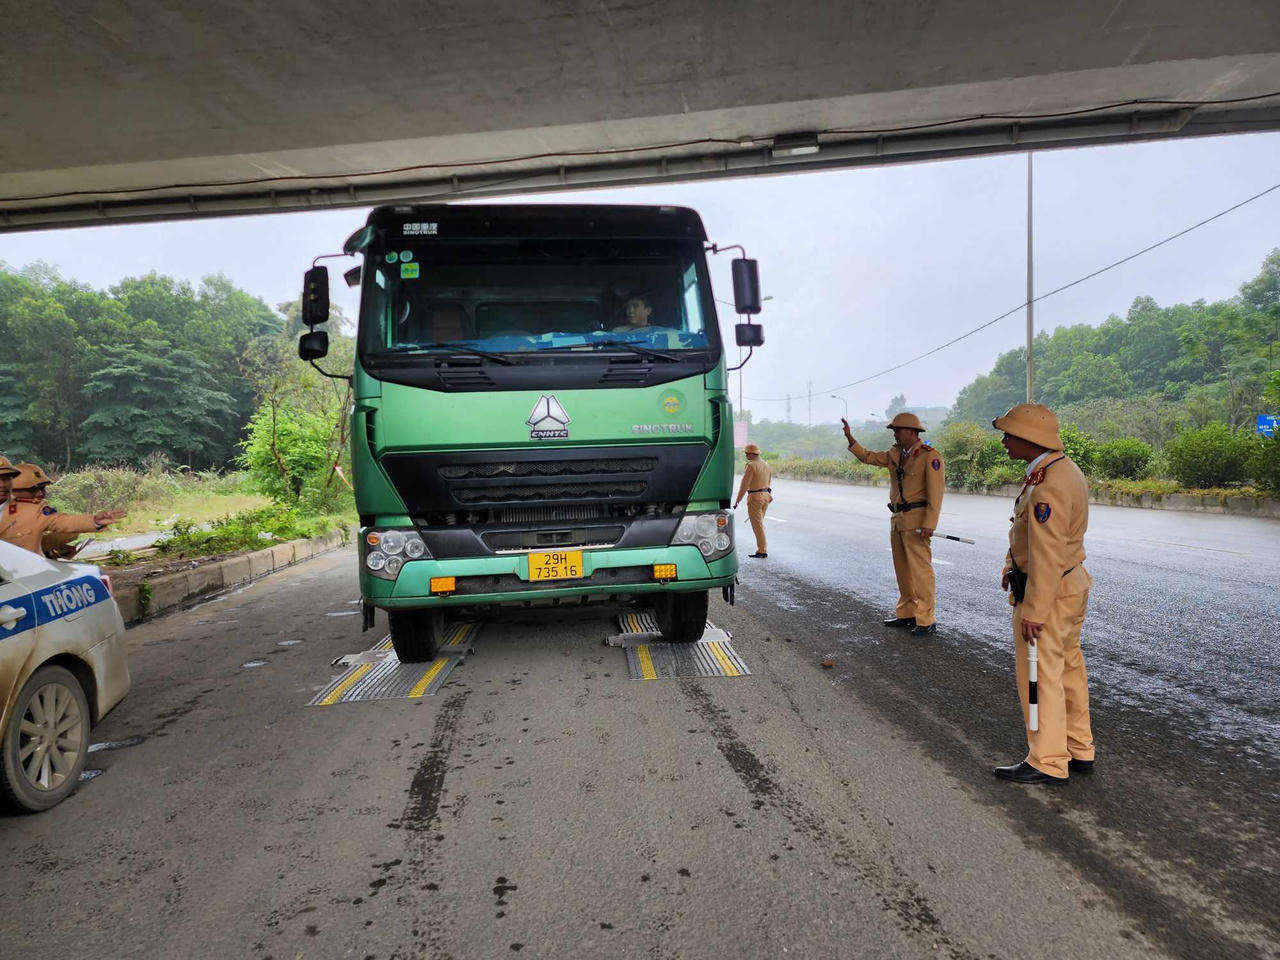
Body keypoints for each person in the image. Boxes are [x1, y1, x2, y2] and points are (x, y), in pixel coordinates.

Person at [991, 403, 1095, 785]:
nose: (1003, 441)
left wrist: (1034, 609)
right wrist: (1010, 565)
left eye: (1008, 434)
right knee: (1068, 668)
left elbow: (1048, 554)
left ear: (1029, 438)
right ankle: (1077, 748)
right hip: (1070, 586)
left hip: (1049, 593)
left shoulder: (1047, 483)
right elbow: (1032, 537)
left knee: (1040, 675)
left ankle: (1048, 760)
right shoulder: (1060, 470)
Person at [841, 413, 944, 636]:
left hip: (917, 519)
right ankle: (907, 613)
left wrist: (930, 522)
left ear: (911, 431)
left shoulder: (930, 456)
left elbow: (936, 493)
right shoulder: (895, 453)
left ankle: (926, 618)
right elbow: (867, 457)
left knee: (921, 571)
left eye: (897, 430)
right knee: (903, 570)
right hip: (897, 518)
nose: (894, 434)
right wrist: (850, 438)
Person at [0, 462, 127, 556]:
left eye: (42, 489)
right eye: (32, 490)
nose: (40, 494)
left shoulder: (35, 510)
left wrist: (94, 521)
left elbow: (64, 522)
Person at [733, 442, 772, 558]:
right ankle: (762, 547)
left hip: (755, 498)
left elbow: (744, 485)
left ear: (751, 454)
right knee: (760, 523)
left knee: (757, 525)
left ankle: (762, 550)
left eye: (746, 453)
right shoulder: (766, 464)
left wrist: (738, 500)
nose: (746, 456)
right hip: (765, 496)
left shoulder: (751, 465)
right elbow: (769, 481)